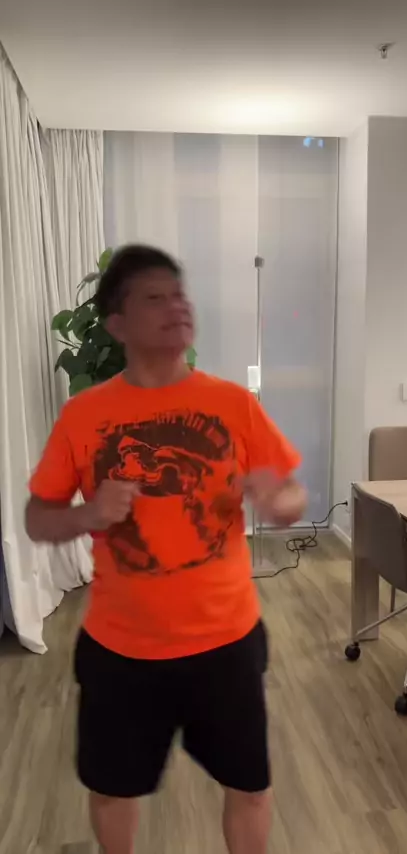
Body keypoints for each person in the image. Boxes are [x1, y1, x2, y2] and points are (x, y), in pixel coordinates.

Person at [25, 244, 306, 854]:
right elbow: (36, 519)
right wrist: (89, 514)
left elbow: (291, 495)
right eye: (154, 297)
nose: (177, 306)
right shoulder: (83, 415)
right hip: (121, 649)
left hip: (226, 643)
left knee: (251, 789)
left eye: (179, 294)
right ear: (116, 323)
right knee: (112, 792)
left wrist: (277, 501)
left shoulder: (233, 403)